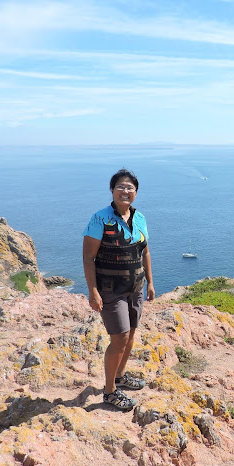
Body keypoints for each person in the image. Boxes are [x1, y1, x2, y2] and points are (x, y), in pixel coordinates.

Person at [82, 168, 155, 410]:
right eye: (121, 187)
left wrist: (151, 283)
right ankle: (110, 390)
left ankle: (120, 376)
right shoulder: (99, 219)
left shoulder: (140, 218)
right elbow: (88, 257)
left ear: (136, 192)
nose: (125, 191)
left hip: (135, 286)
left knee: (131, 333)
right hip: (111, 289)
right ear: (112, 190)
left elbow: (144, 251)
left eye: (130, 188)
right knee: (120, 337)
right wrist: (93, 291)